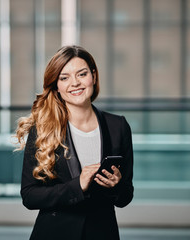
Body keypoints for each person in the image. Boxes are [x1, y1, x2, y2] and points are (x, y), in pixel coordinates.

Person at [15, 45, 134, 240]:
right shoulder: (43, 129)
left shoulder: (118, 126)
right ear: (56, 85)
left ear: (93, 77)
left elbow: (126, 196)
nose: (75, 83)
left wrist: (117, 186)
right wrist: (77, 185)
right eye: (64, 77)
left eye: (82, 74)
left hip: (103, 233)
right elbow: (29, 195)